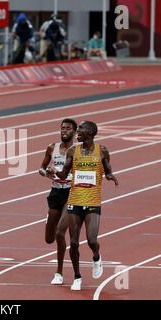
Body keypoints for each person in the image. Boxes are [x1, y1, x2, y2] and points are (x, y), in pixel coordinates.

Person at [47, 121, 119, 291]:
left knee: (92, 240)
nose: (77, 132)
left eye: (81, 130)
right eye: (77, 130)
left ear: (92, 132)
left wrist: (110, 176)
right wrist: (53, 172)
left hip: (93, 201)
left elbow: (107, 169)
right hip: (75, 200)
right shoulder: (73, 151)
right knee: (73, 241)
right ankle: (77, 277)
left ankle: (96, 256)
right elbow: (64, 173)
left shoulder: (102, 150)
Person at [39, 118, 77, 285]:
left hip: (72, 193)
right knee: (49, 238)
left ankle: (59, 272)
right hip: (55, 193)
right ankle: (50, 219)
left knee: (61, 232)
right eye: (62, 128)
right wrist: (46, 172)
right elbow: (41, 167)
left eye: (68, 128)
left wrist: (68, 176)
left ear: (75, 133)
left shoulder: (79, 151)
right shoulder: (51, 148)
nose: (64, 131)